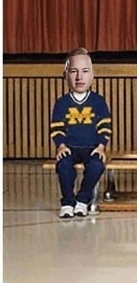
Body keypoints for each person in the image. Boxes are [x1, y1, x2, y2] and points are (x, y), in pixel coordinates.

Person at [51, 47, 111, 218]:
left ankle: (82, 200)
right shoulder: (62, 103)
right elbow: (56, 127)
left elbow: (105, 126)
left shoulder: (98, 101)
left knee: (97, 166)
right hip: (69, 147)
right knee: (63, 166)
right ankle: (68, 202)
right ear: (66, 75)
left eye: (85, 71)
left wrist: (101, 146)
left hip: (92, 148)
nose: (79, 77)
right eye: (74, 71)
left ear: (92, 75)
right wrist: (61, 146)